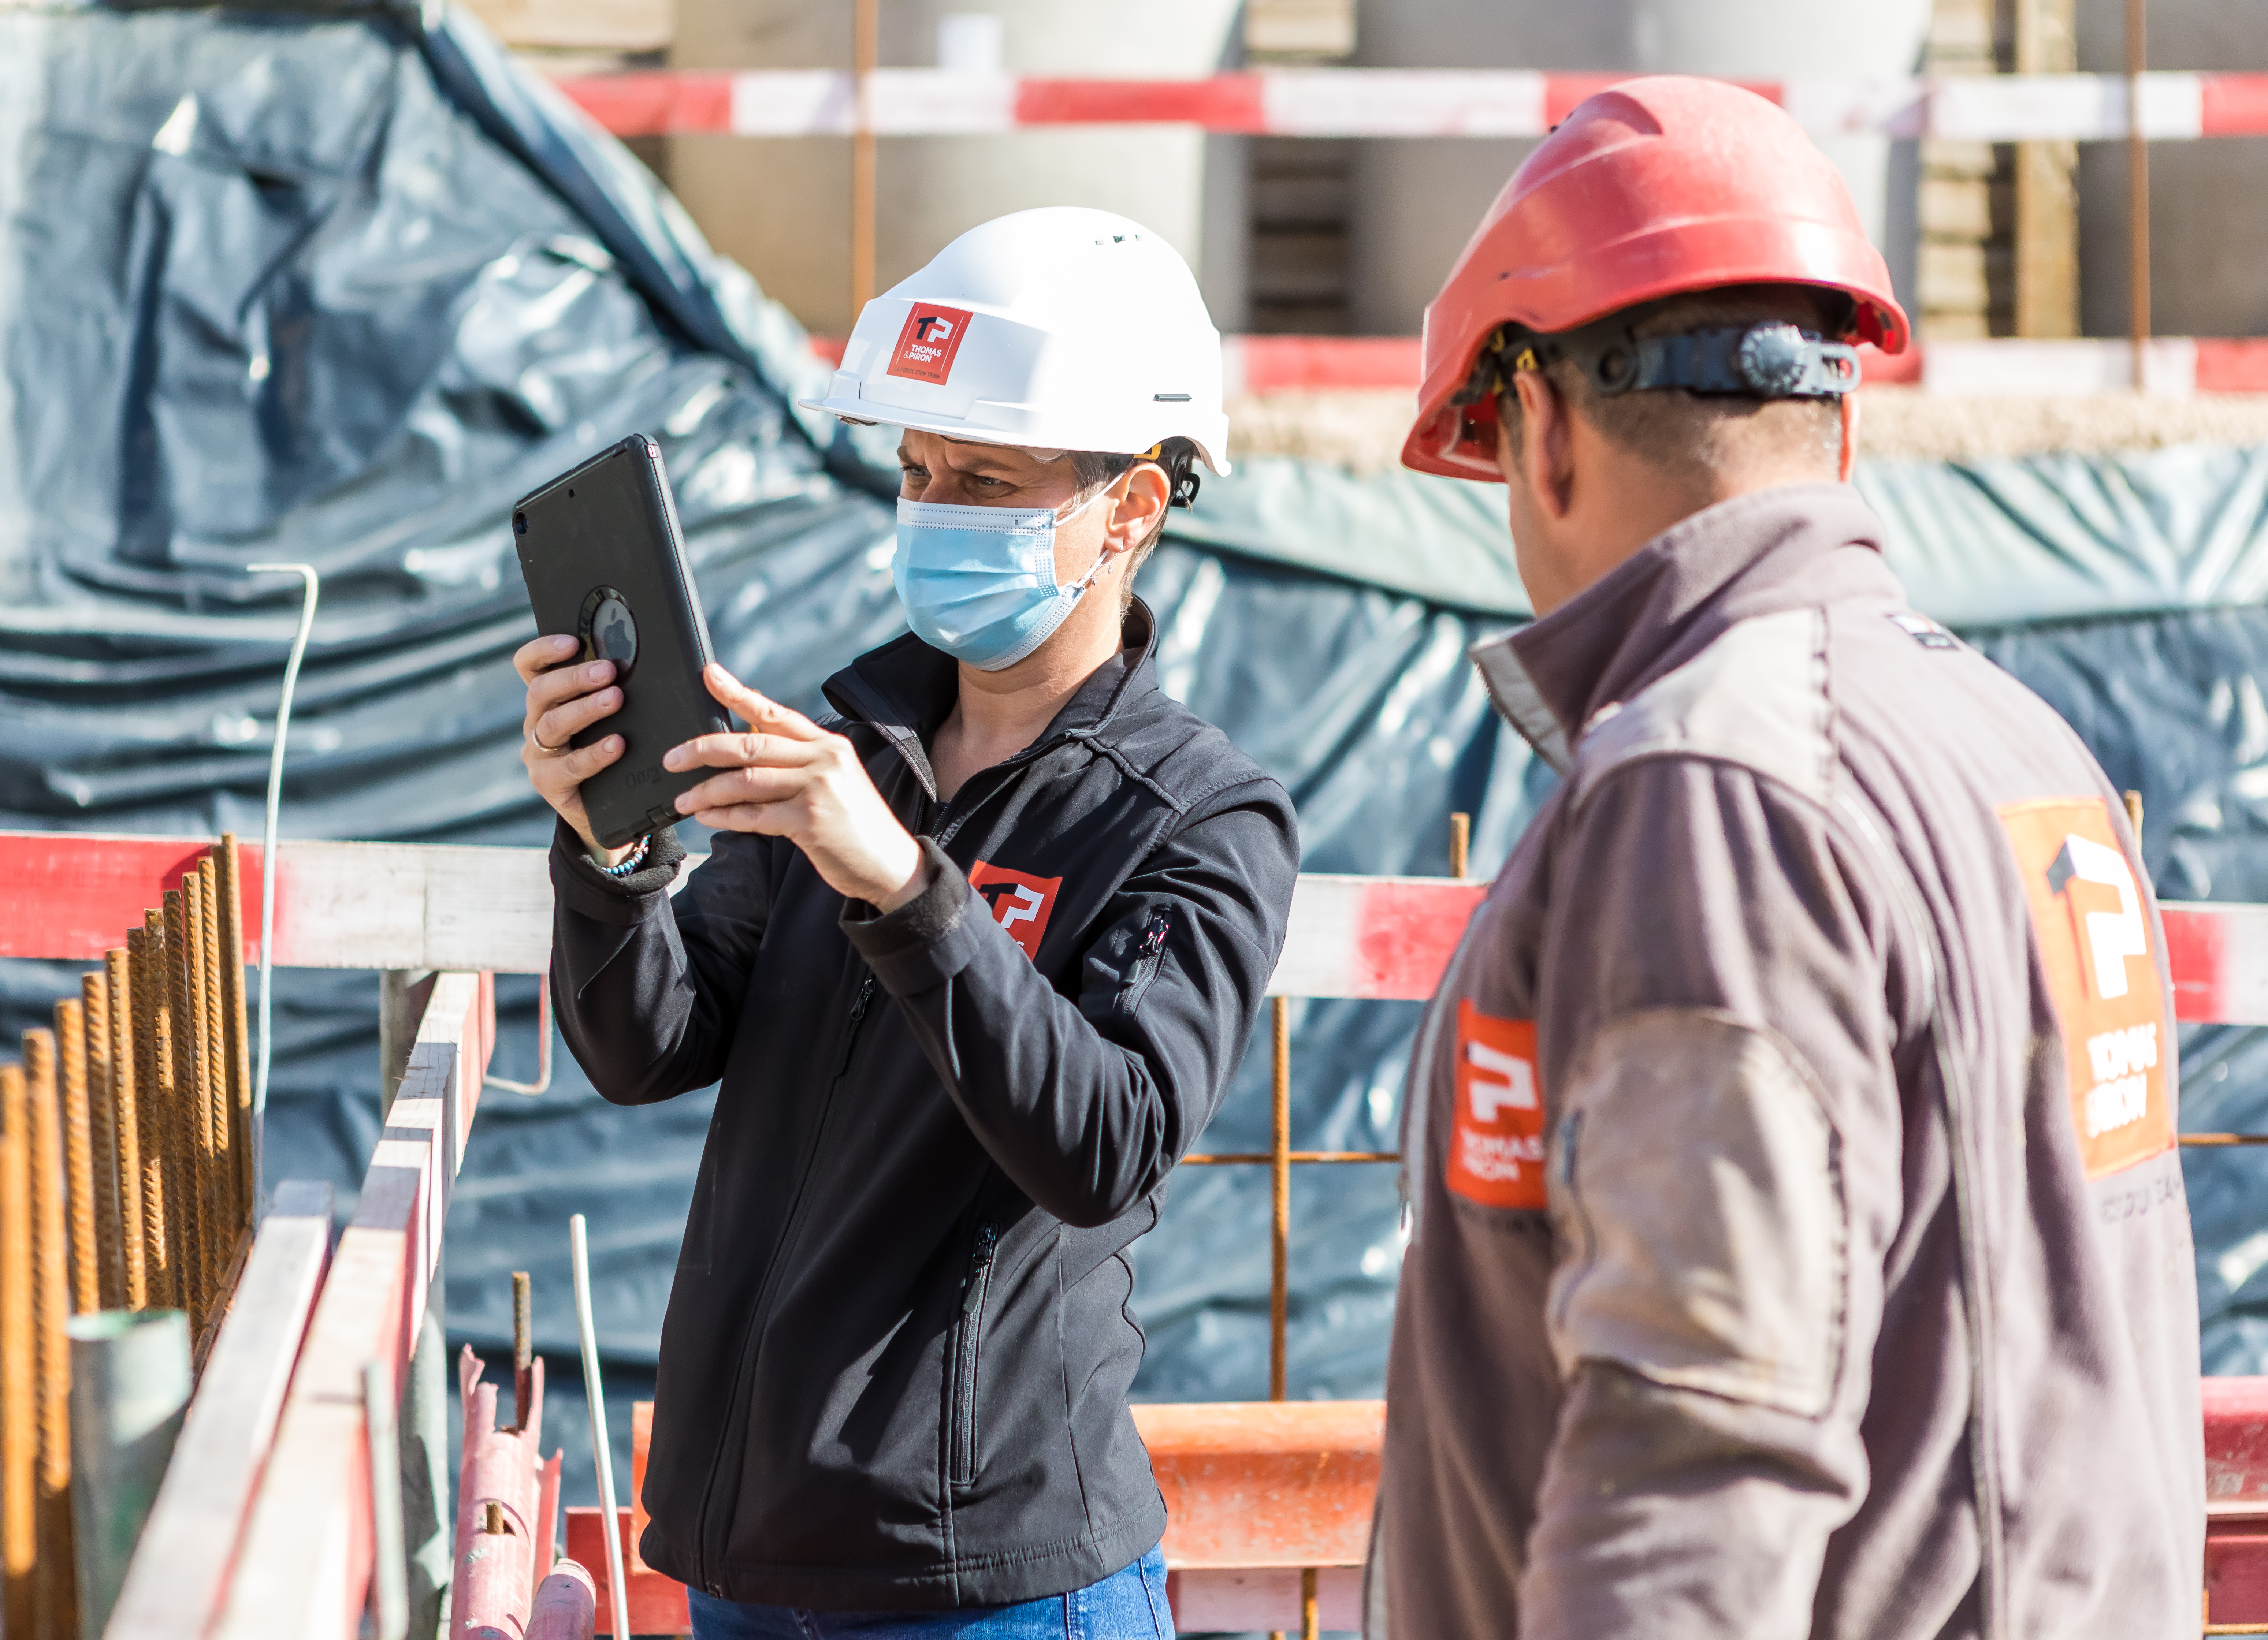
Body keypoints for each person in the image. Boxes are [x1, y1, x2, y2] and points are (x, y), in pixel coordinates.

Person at [1376, 77, 2202, 1638]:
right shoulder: (2011, 742)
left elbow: (1697, 1450)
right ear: (1843, 409)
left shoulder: (1717, 784)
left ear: (1540, 429)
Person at [514, 206, 1299, 1637]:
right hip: (742, 1547)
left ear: (1128, 510)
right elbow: (651, 1046)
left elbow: (1107, 1145)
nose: (932, 508)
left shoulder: (1196, 817)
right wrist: (611, 850)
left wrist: (903, 886)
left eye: (986, 480)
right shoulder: (856, 740)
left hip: (979, 1577)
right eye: (918, 470)